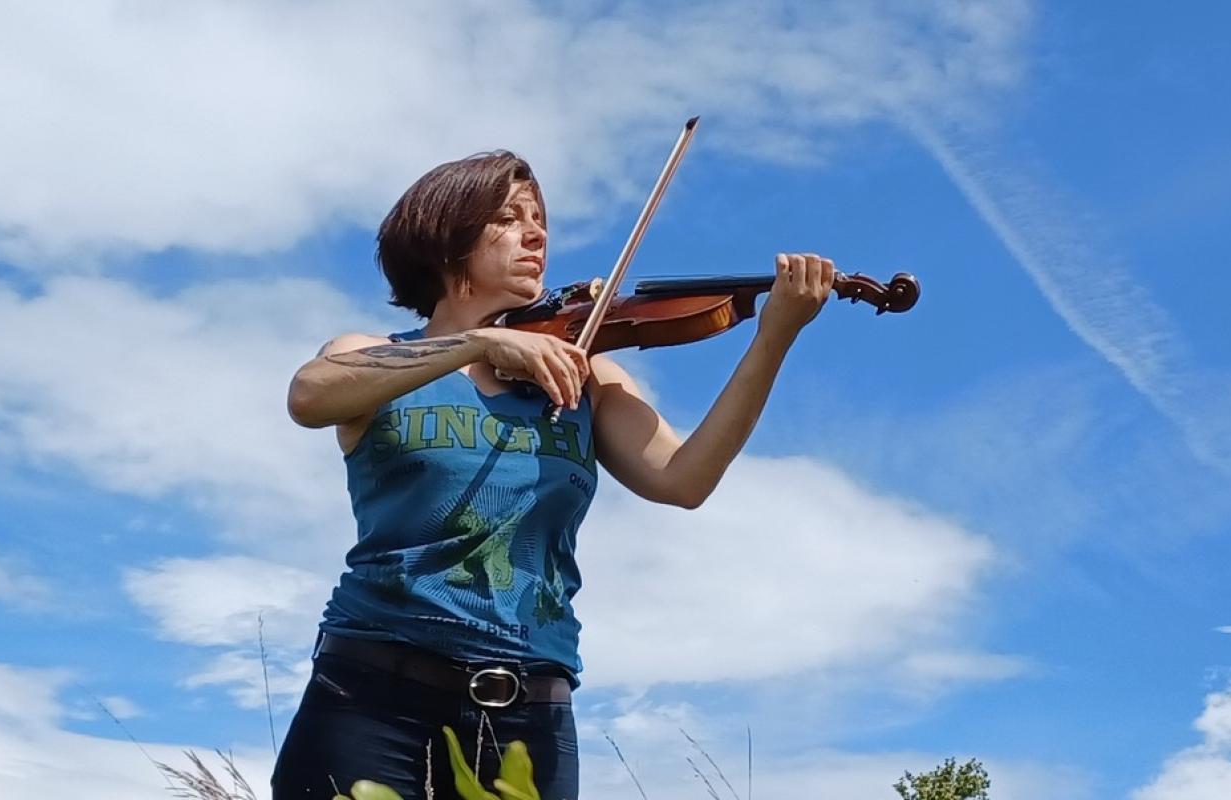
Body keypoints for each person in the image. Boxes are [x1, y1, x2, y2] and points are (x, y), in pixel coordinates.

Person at [272, 150, 836, 799]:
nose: (537, 234)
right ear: (445, 233)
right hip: (370, 699)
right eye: (509, 219)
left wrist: (773, 339)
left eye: (540, 219)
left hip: (528, 712)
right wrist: (479, 344)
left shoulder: (585, 376)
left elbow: (685, 480)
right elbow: (310, 397)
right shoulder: (373, 355)